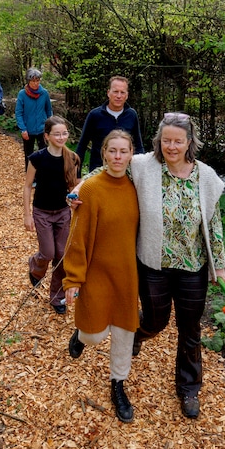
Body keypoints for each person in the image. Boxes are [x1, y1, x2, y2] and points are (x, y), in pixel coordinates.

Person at [127, 112, 225, 419]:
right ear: (159, 141)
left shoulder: (205, 176)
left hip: (193, 267)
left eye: (178, 141)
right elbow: (108, 170)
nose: (172, 146)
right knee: (156, 321)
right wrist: (80, 191)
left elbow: (213, 223)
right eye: (167, 140)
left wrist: (218, 265)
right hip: (154, 265)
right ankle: (138, 335)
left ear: (189, 143)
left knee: (190, 328)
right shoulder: (144, 166)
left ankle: (188, 389)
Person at [62, 130, 140, 423]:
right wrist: (73, 279)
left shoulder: (136, 186)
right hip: (96, 271)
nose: (118, 157)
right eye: (113, 151)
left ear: (132, 154)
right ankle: (82, 335)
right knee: (95, 335)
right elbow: (77, 238)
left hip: (127, 274)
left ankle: (118, 384)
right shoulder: (91, 189)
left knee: (123, 333)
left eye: (124, 151)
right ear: (104, 153)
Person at [24, 116, 80, 314]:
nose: (61, 137)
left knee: (61, 256)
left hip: (63, 212)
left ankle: (57, 297)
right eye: (57, 134)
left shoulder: (72, 158)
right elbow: (28, 186)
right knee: (48, 253)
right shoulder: (37, 158)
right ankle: (35, 265)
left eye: (64, 133)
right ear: (47, 136)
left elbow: (75, 185)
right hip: (42, 212)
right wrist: (27, 215)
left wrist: (75, 200)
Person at [75, 76, 145, 172]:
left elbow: (138, 145)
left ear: (127, 95)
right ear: (108, 93)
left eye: (122, 92)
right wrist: (77, 174)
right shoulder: (95, 115)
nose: (119, 96)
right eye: (115, 91)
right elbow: (82, 145)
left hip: (124, 171)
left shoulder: (132, 115)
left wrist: (141, 171)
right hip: (98, 170)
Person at [15, 68, 53, 171]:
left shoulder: (44, 93)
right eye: (33, 81)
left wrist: (50, 127)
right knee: (29, 154)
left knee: (44, 152)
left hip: (42, 128)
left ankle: (42, 174)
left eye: (37, 80)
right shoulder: (22, 94)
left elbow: (49, 111)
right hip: (28, 129)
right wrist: (23, 129)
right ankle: (30, 176)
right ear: (28, 81)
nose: (35, 83)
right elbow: (18, 113)